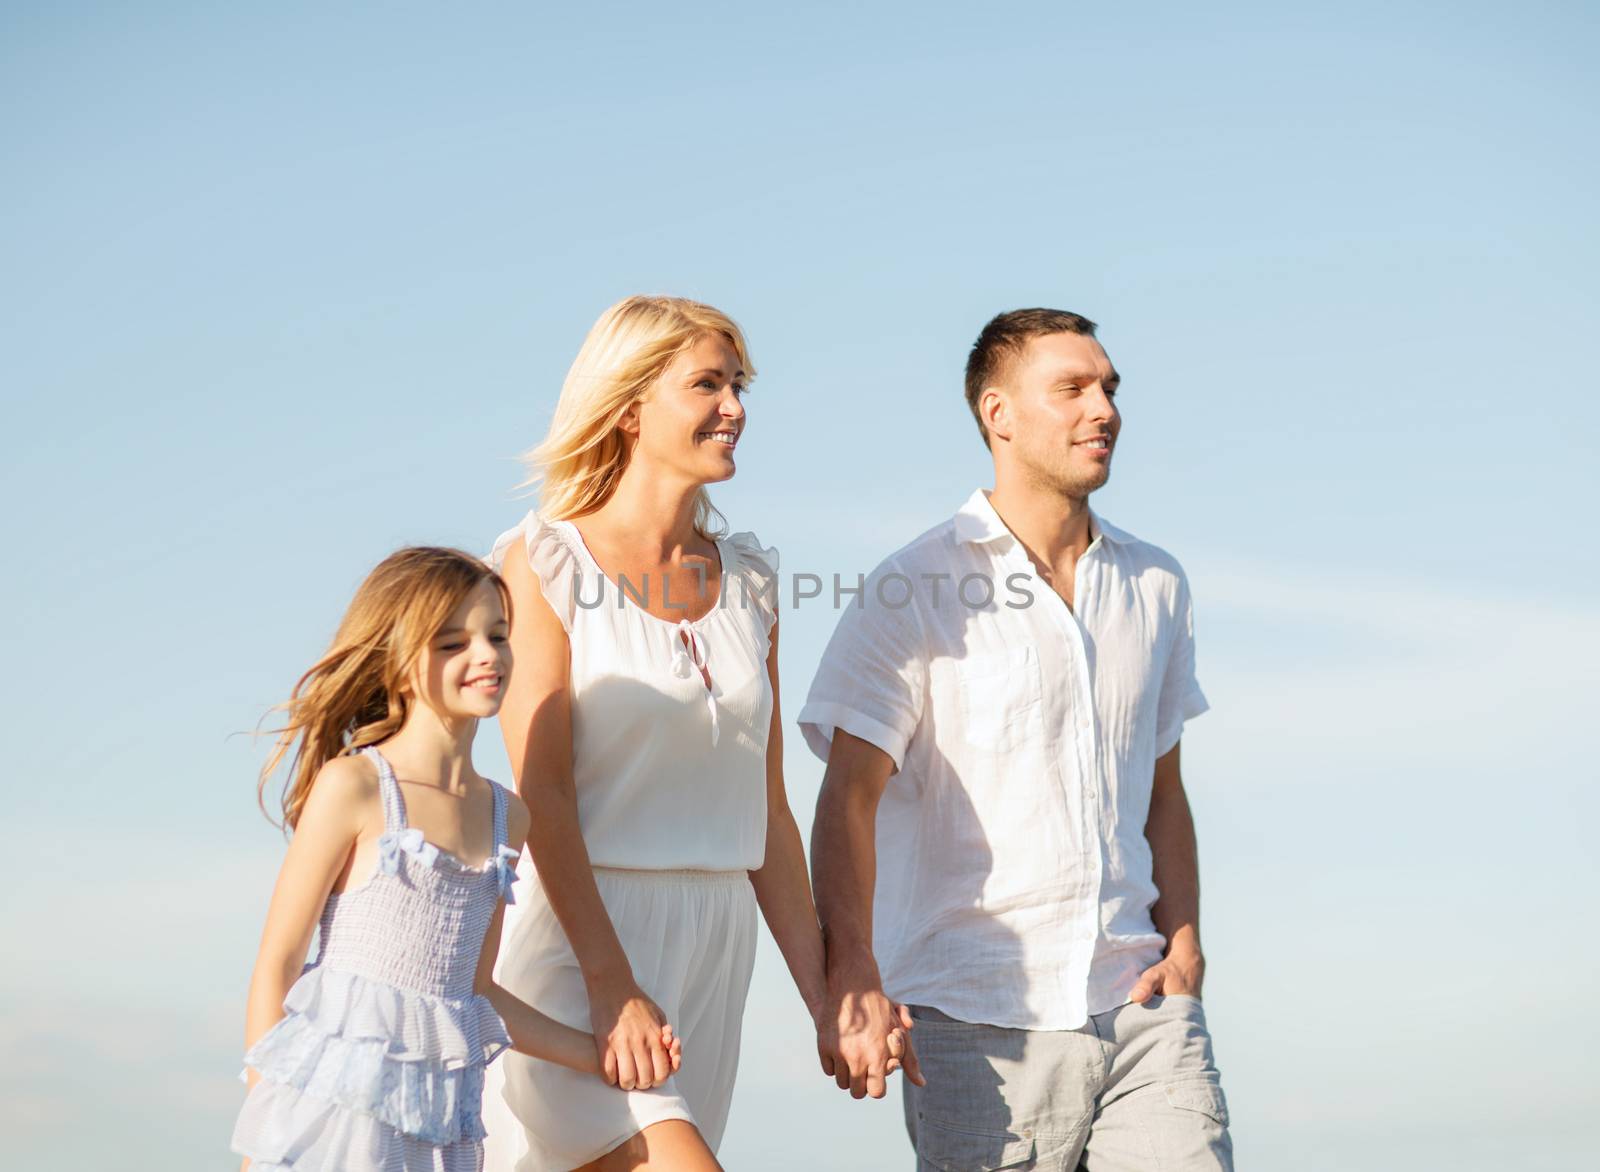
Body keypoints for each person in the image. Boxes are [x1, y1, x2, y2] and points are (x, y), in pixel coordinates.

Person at [802, 308, 1233, 1170]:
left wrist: (1183, 943)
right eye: (1071, 388)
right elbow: (848, 797)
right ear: (998, 414)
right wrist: (850, 968)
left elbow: (1164, 790)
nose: (1102, 408)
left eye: (1109, 387)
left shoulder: (1156, 585)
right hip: (973, 1024)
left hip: (1145, 1010)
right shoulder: (913, 587)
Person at [482, 296, 884, 1172]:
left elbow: (766, 813)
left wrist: (825, 999)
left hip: (714, 949)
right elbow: (540, 792)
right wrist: (609, 981)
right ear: (629, 405)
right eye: (707, 384)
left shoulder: (750, 584)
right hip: (585, 943)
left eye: (737, 385)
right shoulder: (544, 560)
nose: (734, 407)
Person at [233, 546, 674, 1171]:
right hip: (330, 1125)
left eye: (497, 634)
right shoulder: (356, 786)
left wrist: (596, 1053)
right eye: (452, 643)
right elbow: (277, 963)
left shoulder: (507, 817)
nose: (487, 655)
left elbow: (476, 992)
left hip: (436, 1126)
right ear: (400, 661)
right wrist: (274, 1116)